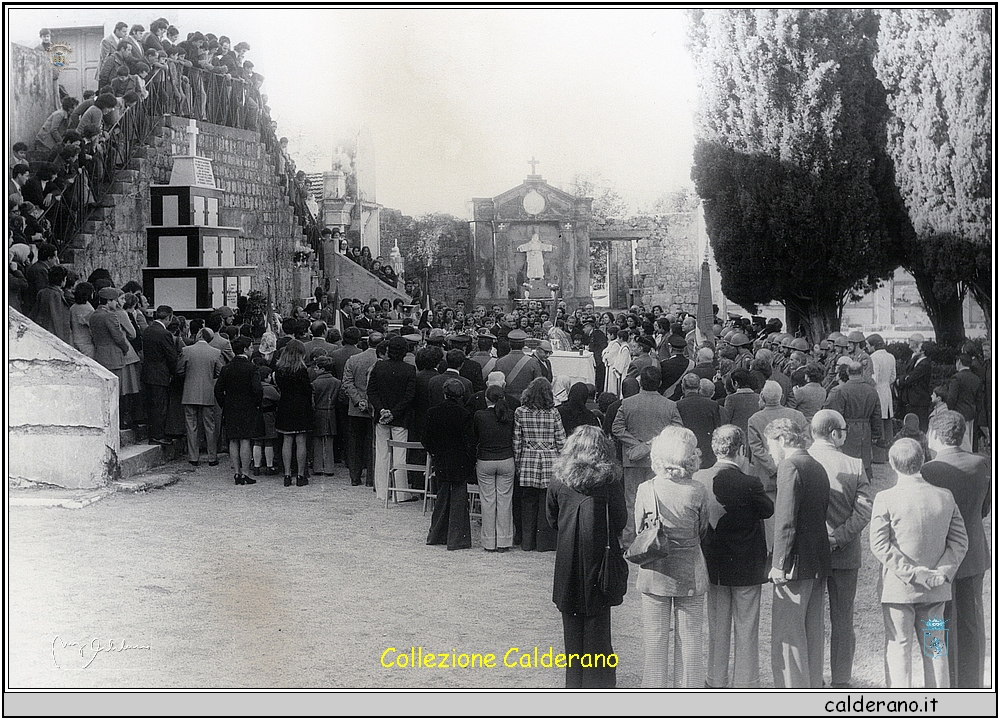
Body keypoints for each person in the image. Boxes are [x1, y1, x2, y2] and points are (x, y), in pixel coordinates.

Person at [870, 438, 968, 688]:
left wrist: (913, 573)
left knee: (899, 647)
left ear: (892, 464)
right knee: (935, 648)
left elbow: (879, 545)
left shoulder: (886, 497)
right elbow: (960, 541)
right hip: (935, 590)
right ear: (923, 460)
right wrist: (941, 572)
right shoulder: (944, 496)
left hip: (899, 591)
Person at [546, 425, 627, 689]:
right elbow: (620, 519)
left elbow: (552, 518)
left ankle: (575, 687)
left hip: (568, 559)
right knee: (599, 632)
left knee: (571, 632)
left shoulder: (559, 478)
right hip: (600, 559)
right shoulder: (610, 479)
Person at [696, 425, 773, 688]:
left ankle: (715, 680)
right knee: (747, 627)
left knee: (717, 627)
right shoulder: (750, 482)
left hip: (714, 566)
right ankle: (746, 681)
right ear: (741, 450)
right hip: (746, 567)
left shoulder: (700, 478)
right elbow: (767, 509)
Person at [635, 426, 709, 688]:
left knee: (655, 639)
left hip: (655, 569)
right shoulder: (698, 490)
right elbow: (702, 529)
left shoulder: (646, 489)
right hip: (690, 569)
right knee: (690, 641)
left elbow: (640, 532)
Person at [921, 411, 991, 688]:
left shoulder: (928, 469)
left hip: (938, 558)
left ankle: (939, 680)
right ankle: (971, 684)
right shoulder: (982, 464)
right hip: (973, 553)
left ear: (935, 435)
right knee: (972, 622)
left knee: (936, 621)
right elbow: (985, 509)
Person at [807, 409, 873, 689]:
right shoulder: (855, 464)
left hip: (810, 552)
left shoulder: (800, 461)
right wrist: (840, 537)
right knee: (843, 618)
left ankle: (811, 676)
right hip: (845, 552)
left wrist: (822, 538)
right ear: (835, 433)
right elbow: (864, 511)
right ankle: (842, 679)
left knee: (811, 617)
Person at [765, 417, 831, 688]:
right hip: (817, 559)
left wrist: (779, 563)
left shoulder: (789, 466)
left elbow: (785, 519)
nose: (770, 452)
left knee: (788, 634)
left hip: (794, 563)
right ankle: (813, 687)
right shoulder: (816, 465)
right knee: (812, 630)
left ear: (782, 440)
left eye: (770, 445)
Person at [612, 366, 683, 547]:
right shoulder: (670, 405)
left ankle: (629, 540)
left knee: (631, 499)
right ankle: (654, 539)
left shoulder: (627, 403)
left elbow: (617, 428)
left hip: (632, 459)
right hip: (658, 459)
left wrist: (637, 445)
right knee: (658, 499)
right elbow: (677, 430)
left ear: (640, 382)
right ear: (659, 383)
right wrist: (651, 444)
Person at [513, 377, 566, 552]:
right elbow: (561, 440)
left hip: (529, 457)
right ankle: (545, 543)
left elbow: (517, 441)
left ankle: (527, 542)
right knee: (546, 501)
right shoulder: (553, 413)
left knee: (528, 501)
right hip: (550, 459)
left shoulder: (520, 412)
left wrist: (518, 462)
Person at [422, 378, 475, 550]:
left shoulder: (433, 412)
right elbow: (470, 441)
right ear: (461, 394)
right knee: (459, 498)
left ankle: (436, 534)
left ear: (445, 393)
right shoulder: (465, 414)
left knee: (442, 496)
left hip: (441, 458)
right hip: (460, 459)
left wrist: (435, 451)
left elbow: (426, 439)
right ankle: (457, 539)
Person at [367, 336, 417, 502]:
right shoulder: (409, 370)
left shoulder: (379, 367)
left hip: (381, 417)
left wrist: (382, 410)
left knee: (382, 454)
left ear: (388, 350)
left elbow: (371, 392)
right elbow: (409, 396)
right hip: (400, 417)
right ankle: (400, 493)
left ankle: (382, 492)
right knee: (400, 454)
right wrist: (394, 412)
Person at [214, 336, 263, 485]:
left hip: (230, 407)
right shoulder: (252, 368)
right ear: (245, 349)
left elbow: (218, 390)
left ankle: (236, 472)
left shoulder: (226, 368)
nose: (252, 349)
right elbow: (257, 390)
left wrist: (225, 403)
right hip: (247, 407)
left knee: (233, 440)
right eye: (250, 347)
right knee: (245, 440)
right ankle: (245, 473)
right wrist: (255, 404)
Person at [473, 384, 516, 552]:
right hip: (506, 459)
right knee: (505, 501)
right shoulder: (510, 414)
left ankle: (489, 541)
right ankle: (504, 541)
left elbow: (476, 435)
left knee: (488, 501)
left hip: (485, 460)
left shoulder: (479, 415)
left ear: (486, 399)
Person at [824, 361, 882, 479]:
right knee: (864, 457)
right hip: (866, 427)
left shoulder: (841, 390)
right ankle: (865, 479)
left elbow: (836, 415)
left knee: (847, 458)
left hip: (846, 428)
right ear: (862, 372)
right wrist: (876, 434)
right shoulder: (872, 390)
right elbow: (876, 415)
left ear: (847, 372)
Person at [177, 327, 224, 467]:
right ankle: (212, 456)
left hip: (190, 392)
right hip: (207, 392)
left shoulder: (186, 351)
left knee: (191, 425)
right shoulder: (215, 352)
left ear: (198, 335)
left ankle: (193, 457)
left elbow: (179, 370)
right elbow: (220, 371)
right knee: (209, 425)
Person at [342, 331, 382, 486]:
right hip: (375, 408)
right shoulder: (381, 362)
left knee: (356, 444)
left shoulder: (353, 359)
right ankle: (371, 478)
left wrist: (358, 401)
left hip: (356, 408)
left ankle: (355, 476)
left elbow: (347, 382)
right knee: (373, 443)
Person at [274, 338, 313, 487]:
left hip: (285, 405)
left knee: (287, 441)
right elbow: (307, 390)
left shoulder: (279, 369)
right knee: (301, 441)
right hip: (301, 406)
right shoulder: (301, 370)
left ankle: (287, 475)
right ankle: (301, 475)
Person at [140, 305, 177, 445]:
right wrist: (175, 372)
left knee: (151, 404)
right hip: (160, 373)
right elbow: (171, 356)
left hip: (148, 371)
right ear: (169, 317)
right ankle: (158, 435)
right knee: (160, 405)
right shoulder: (164, 334)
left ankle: (154, 433)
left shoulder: (148, 330)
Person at [676, 372, 723, 469]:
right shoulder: (712, 405)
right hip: (707, 455)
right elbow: (717, 429)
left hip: (684, 453)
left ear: (683, 387)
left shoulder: (677, 405)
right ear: (699, 387)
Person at [942, 354, 983, 452]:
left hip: (958, 414)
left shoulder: (956, 378)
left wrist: (950, 410)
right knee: (970, 440)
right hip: (971, 414)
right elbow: (979, 400)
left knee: (959, 441)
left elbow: (952, 398)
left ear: (959, 361)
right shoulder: (976, 379)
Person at [310, 356, 341, 476]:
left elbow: (312, 401)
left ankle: (317, 467)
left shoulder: (315, 383)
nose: (314, 370)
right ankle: (329, 468)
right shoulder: (337, 382)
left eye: (316, 367)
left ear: (322, 369)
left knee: (317, 440)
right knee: (329, 441)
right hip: (331, 412)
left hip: (318, 412)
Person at [895, 335, 932, 431]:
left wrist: (901, 380)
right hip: (914, 399)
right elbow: (906, 374)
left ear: (922, 351)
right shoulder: (915, 360)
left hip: (919, 400)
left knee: (920, 426)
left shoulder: (924, 364)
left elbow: (910, 378)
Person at [29, 264, 71, 344]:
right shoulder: (56, 295)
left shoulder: (42, 292)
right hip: (53, 332)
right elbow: (57, 318)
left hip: (42, 328)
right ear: (62, 280)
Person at [68, 281, 96, 358]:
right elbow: (93, 328)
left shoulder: (73, 307)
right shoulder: (89, 309)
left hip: (74, 341)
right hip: (87, 344)